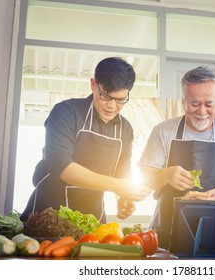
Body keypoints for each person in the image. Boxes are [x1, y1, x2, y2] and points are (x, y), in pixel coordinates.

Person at [138, 66, 215, 249]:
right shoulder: (163, 131)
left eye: (209, 104)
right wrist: (165, 175)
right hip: (167, 232)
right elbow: (144, 179)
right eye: (194, 104)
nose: (202, 111)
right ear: (183, 102)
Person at [20, 57, 151, 223]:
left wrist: (123, 199)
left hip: (92, 220)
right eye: (105, 96)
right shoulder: (66, 112)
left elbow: (122, 174)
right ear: (93, 84)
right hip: (48, 215)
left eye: (120, 100)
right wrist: (117, 186)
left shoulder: (125, 130)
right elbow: (61, 165)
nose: (112, 106)